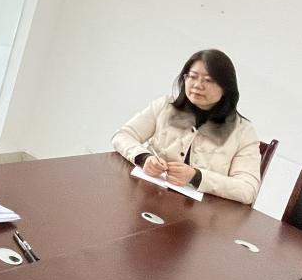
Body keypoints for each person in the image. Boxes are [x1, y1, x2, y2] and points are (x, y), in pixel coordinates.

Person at [112, 49, 261, 204]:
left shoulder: (243, 131)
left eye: (208, 80)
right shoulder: (165, 106)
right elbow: (122, 136)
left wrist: (196, 176)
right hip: (150, 197)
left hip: (202, 213)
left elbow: (248, 190)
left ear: (226, 87)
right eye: (192, 76)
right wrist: (144, 158)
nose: (197, 85)